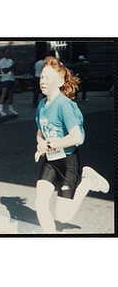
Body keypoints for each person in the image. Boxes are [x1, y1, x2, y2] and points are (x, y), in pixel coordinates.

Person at [34, 56, 109, 233]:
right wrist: (40, 145)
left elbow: (77, 138)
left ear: (60, 81)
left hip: (68, 162)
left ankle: (88, 182)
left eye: (48, 78)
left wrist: (50, 143)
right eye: (42, 77)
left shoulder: (65, 106)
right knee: (40, 203)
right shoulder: (41, 105)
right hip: (51, 161)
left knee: (63, 216)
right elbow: (40, 132)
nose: (43, 82)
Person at [0, 48, 18, 116]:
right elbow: (5, 70)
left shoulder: (10, 60)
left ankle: (10, 109)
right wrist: (12, 66)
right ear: (3, 53)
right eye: (6, 52)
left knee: (11, 95)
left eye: (8, 52)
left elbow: (13, 69)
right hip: (5, 79)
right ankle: (0, 110)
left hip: (11, 78)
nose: (7, 53)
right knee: (4, 94)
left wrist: (14, 65)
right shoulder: (2, 61)